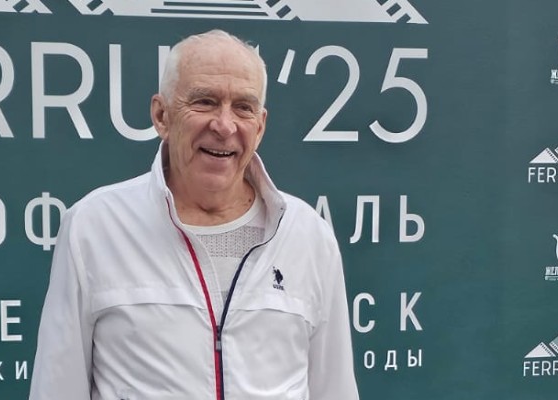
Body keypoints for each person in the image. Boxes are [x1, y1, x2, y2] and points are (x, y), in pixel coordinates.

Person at [29, 29, 359, 400]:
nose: (224, 125)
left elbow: (335, 390)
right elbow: (56, 386)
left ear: (260, 126)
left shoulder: (308, 234)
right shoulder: (94, 226)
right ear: (162, 116)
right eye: (205, 102)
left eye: (243, 107)